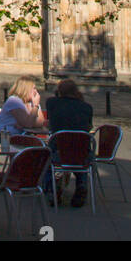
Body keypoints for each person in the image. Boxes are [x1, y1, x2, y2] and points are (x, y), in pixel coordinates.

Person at [45, 78, 94, 208]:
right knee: (80, 154)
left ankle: (51, 187)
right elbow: (89, 127)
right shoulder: (87, 107)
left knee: (47, 156)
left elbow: (50, 122)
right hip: (82, 155)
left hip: (58, 153)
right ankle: (81, 184)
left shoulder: (51, 103)